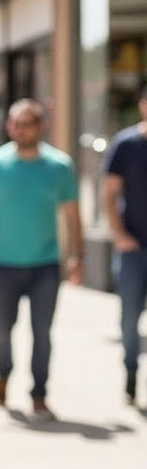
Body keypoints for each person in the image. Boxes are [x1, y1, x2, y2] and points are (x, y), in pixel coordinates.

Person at [0, 98, 83, 420]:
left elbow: (73, 215)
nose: (21, 129)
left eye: (28, 123)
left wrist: (77, 257)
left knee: (42, 331)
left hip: (46, 263)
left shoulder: (60, 166)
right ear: (8, 127)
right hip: (3, 263)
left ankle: (39, 393)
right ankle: (4, 373)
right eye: (15, 123)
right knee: (2, 327)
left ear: (40, 126)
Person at [101, 82, 147, 406]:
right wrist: (119, 235)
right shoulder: (125, 144)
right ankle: (130, 371)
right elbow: (108, 193)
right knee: (129, 318)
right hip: (133, 248)